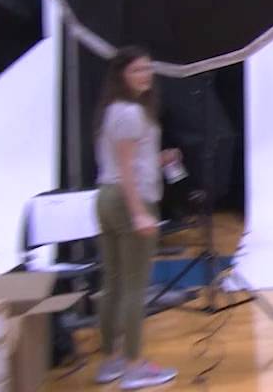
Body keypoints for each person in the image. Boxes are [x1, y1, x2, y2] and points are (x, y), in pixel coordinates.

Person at [92, 47, 180, 389]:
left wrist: (159, 160)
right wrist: (139, 212)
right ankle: (133, 366)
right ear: (121, 75)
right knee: (134, 286)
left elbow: (125, 161)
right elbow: (126, 170)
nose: (145, 76)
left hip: (106, 196)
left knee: (113, 283)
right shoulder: (130, 113)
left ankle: (110, 361)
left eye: (147, 69)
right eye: (137, 70)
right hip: (129, 199)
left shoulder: (113, 111)